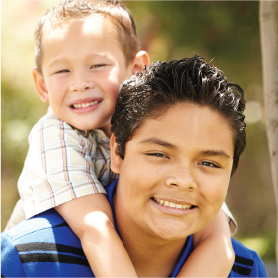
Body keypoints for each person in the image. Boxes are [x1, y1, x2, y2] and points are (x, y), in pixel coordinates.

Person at [5, 1, 237, 277]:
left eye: (97, 65)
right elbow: (96, 229)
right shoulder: (53, 137)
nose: (80, 83)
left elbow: (218, 244)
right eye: (62, 71)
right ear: (43, 85)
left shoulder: (158, 125)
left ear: (137, 67)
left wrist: (220, 249)